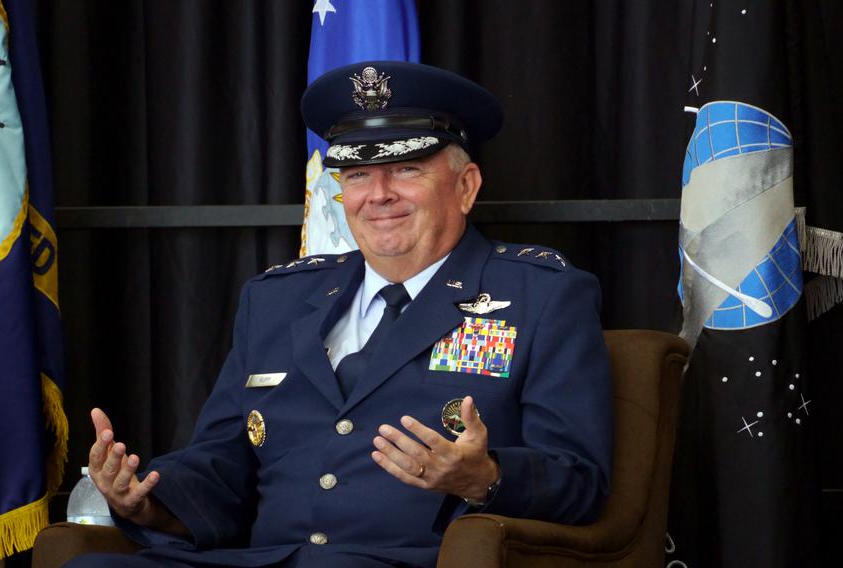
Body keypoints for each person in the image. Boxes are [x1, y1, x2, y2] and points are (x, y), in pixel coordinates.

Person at [69, 60, 613, 568]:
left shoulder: (542, 296)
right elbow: (226, 463)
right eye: (355, 175)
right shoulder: (276, 299)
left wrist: (485, 477)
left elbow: (580, 480)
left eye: (405, 169)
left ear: (465, 186)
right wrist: (147, 499)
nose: (377, 195)